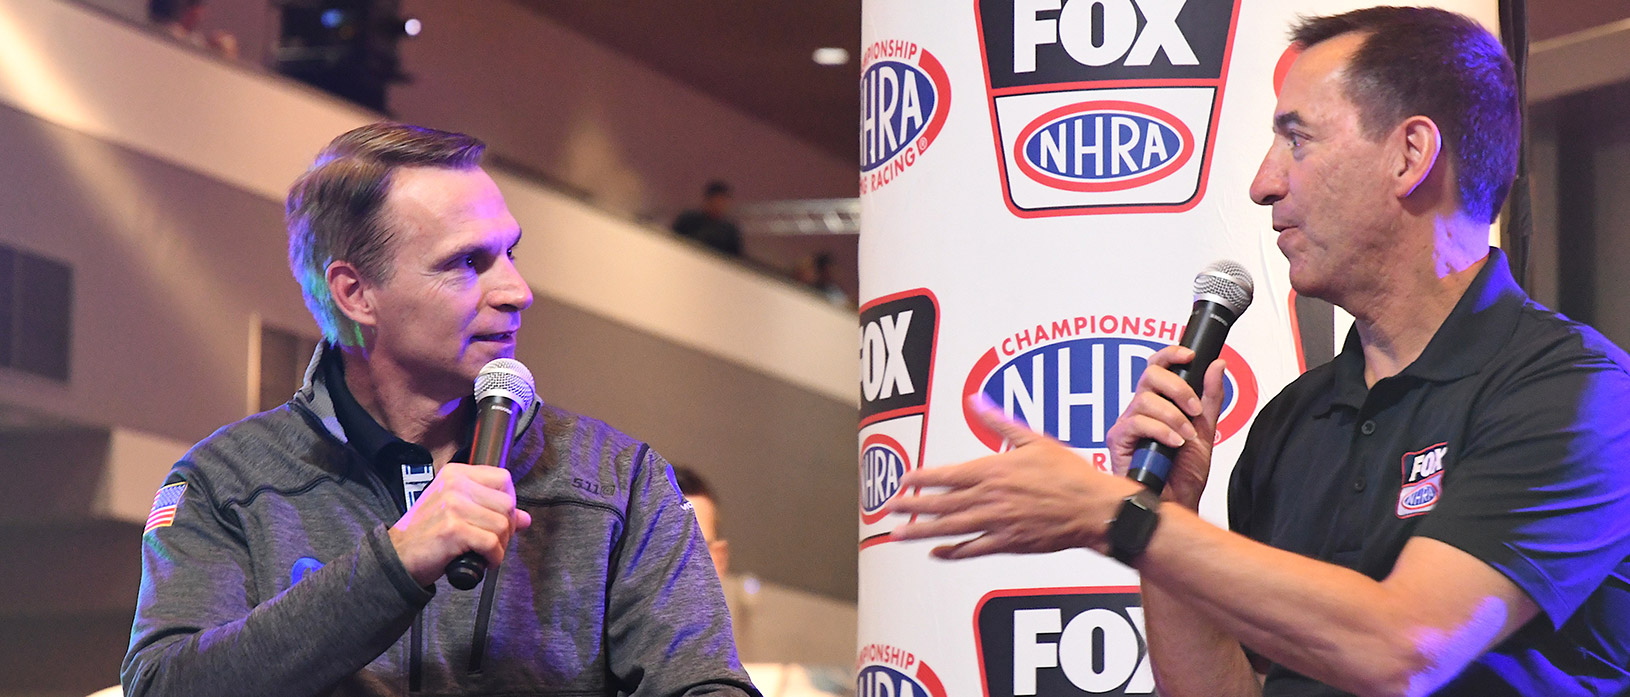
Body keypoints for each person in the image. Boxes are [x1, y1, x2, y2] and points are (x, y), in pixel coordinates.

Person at [889, 7, 1630, 697]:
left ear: (1411, 154)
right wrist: (1167, 508)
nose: (1262, 183)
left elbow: (1406, 645)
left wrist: (1122, 518)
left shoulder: (1578, 394)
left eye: (1297, 139)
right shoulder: (1291, 424)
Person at [122, 123, 756, 697]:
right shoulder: (226, 482)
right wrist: (392, 564)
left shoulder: (618, 480)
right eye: (467, 263)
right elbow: (162, 689)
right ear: (356, 292)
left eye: (511, 253)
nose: (517, 292)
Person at [672, 180, 744, 257]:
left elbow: (735, 258)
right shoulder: (688, 220)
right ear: (708, 200)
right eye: (717, 201)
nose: (719, 205)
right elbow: (673, 243)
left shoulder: (729, 231)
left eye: (723, 201)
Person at [148, 0, 238, 60]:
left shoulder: (194, 38)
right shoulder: (168, 33)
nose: (201, 17)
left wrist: (214, 46)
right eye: (198, 12)